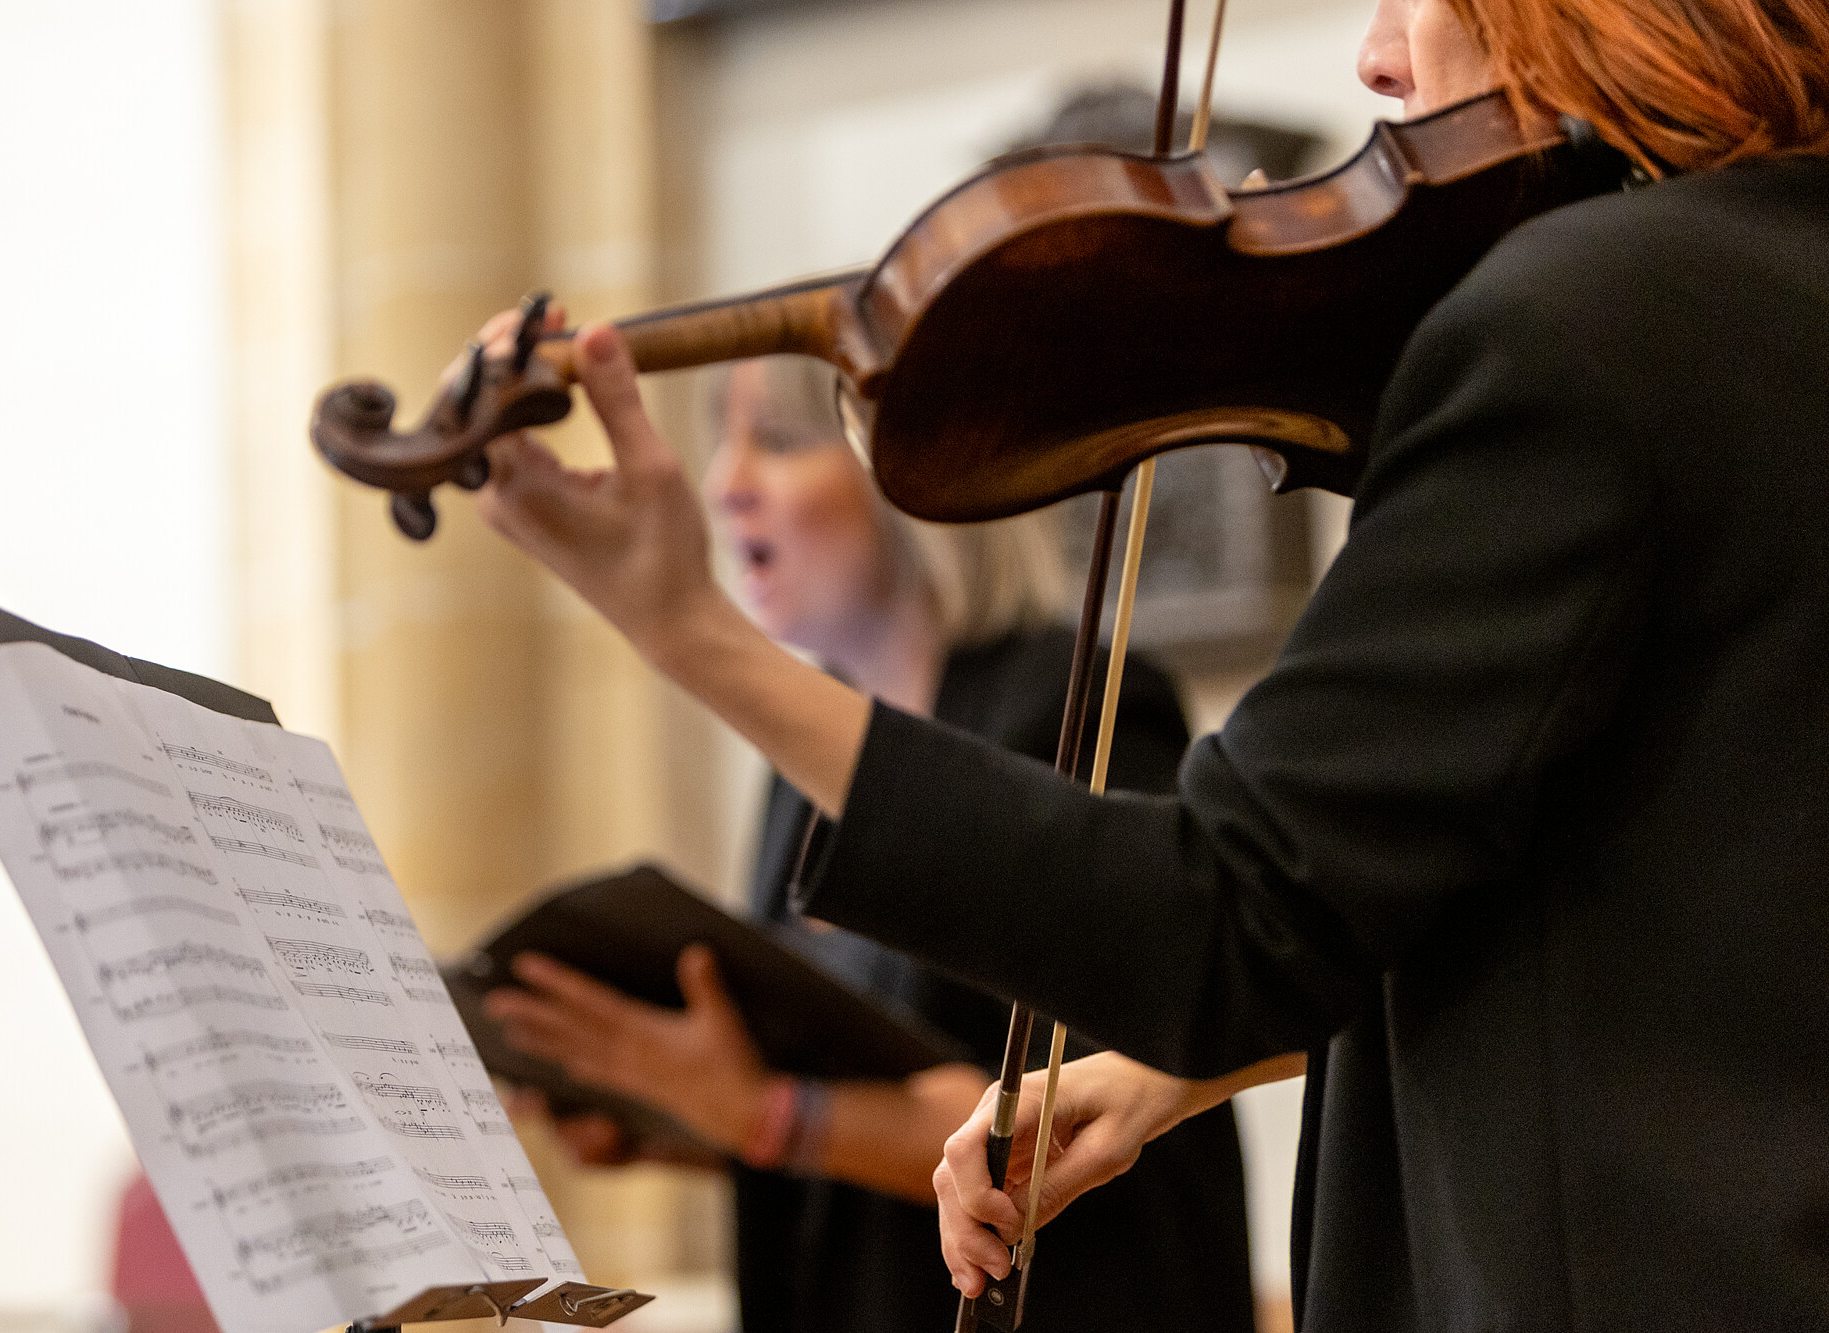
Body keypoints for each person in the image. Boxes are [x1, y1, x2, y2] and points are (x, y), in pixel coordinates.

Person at [467, 0, 1829, 1324]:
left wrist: (681, 625)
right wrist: (1181, 1073)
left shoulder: (1585, 322)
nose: (1375, 55)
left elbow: (1225, 913)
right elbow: (1658, 919)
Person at [485, 357, 1257, 1333]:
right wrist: (659, 1103)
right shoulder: (798, 773)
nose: (725, 481)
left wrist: (761, 1113)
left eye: (779, 439)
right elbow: (832, 1095)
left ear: (924, 473)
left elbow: (1091, 1125)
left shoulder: (1077, 706)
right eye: (724, 437)